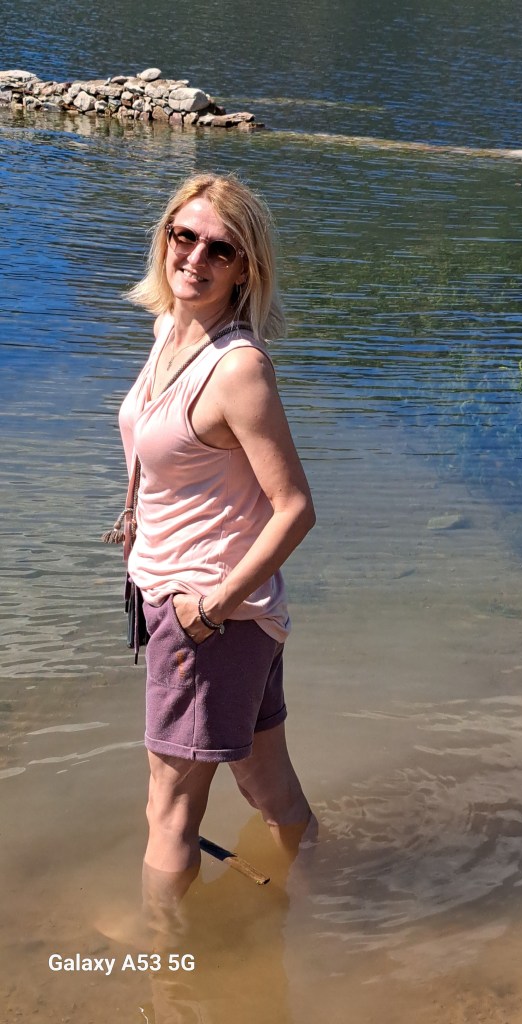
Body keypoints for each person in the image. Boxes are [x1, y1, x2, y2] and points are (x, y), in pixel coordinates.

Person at [117, 172, 315, 938]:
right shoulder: (169, 329)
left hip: (208, 618)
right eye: (184, 236)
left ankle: (159, 958)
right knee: (267, 785)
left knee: (168, 808)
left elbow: (295, 508)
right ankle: (321, 905)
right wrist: (136, 519)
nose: (195, 257)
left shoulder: (238, 369)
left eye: (220, 249)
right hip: (208, 611)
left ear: (244, 269)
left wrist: (209, 609)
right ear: (165, 237)